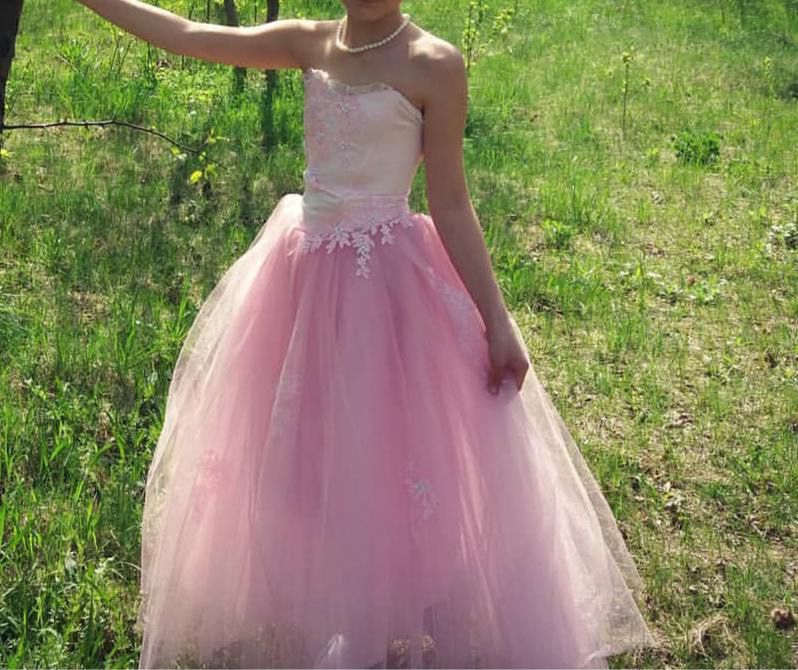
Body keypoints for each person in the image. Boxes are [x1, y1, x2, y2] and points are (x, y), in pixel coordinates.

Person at [76, 0, 659, 667]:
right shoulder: (310, 42)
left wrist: (497, 319)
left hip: (386, 286)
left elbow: (451, 200)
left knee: (381, 448)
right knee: (309, 450)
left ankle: (373, 619)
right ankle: (334, 602)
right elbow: (186, 34)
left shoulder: (435, 64)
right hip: (301, 281)